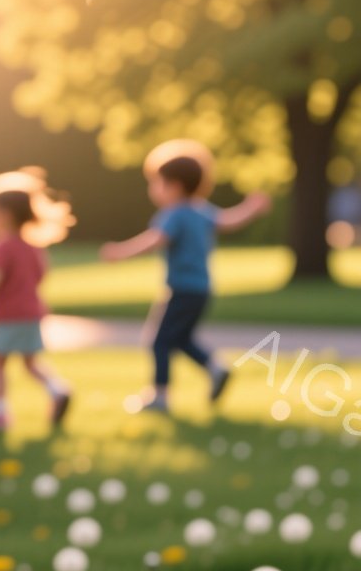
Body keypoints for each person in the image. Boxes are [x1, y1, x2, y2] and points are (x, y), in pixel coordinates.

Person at [100, 140, 271, 414]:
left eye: (157, 183)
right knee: (180, 339)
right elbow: (230, 221)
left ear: (175, 186)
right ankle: (215, 368)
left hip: (180, 290)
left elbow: (155, 240)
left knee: (159, 341)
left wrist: (120, 252)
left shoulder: (175, 214)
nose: (153, 189)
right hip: (201, 291)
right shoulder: (202, 211)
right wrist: (251, 208)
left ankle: (160, 396)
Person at [0, 168, 74, 433]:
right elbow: (41, 276)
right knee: (30, 362)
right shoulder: (33, 247)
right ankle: (57, 389)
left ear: (4, 215)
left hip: (8, 314)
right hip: (32, 313)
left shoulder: (2, 245)